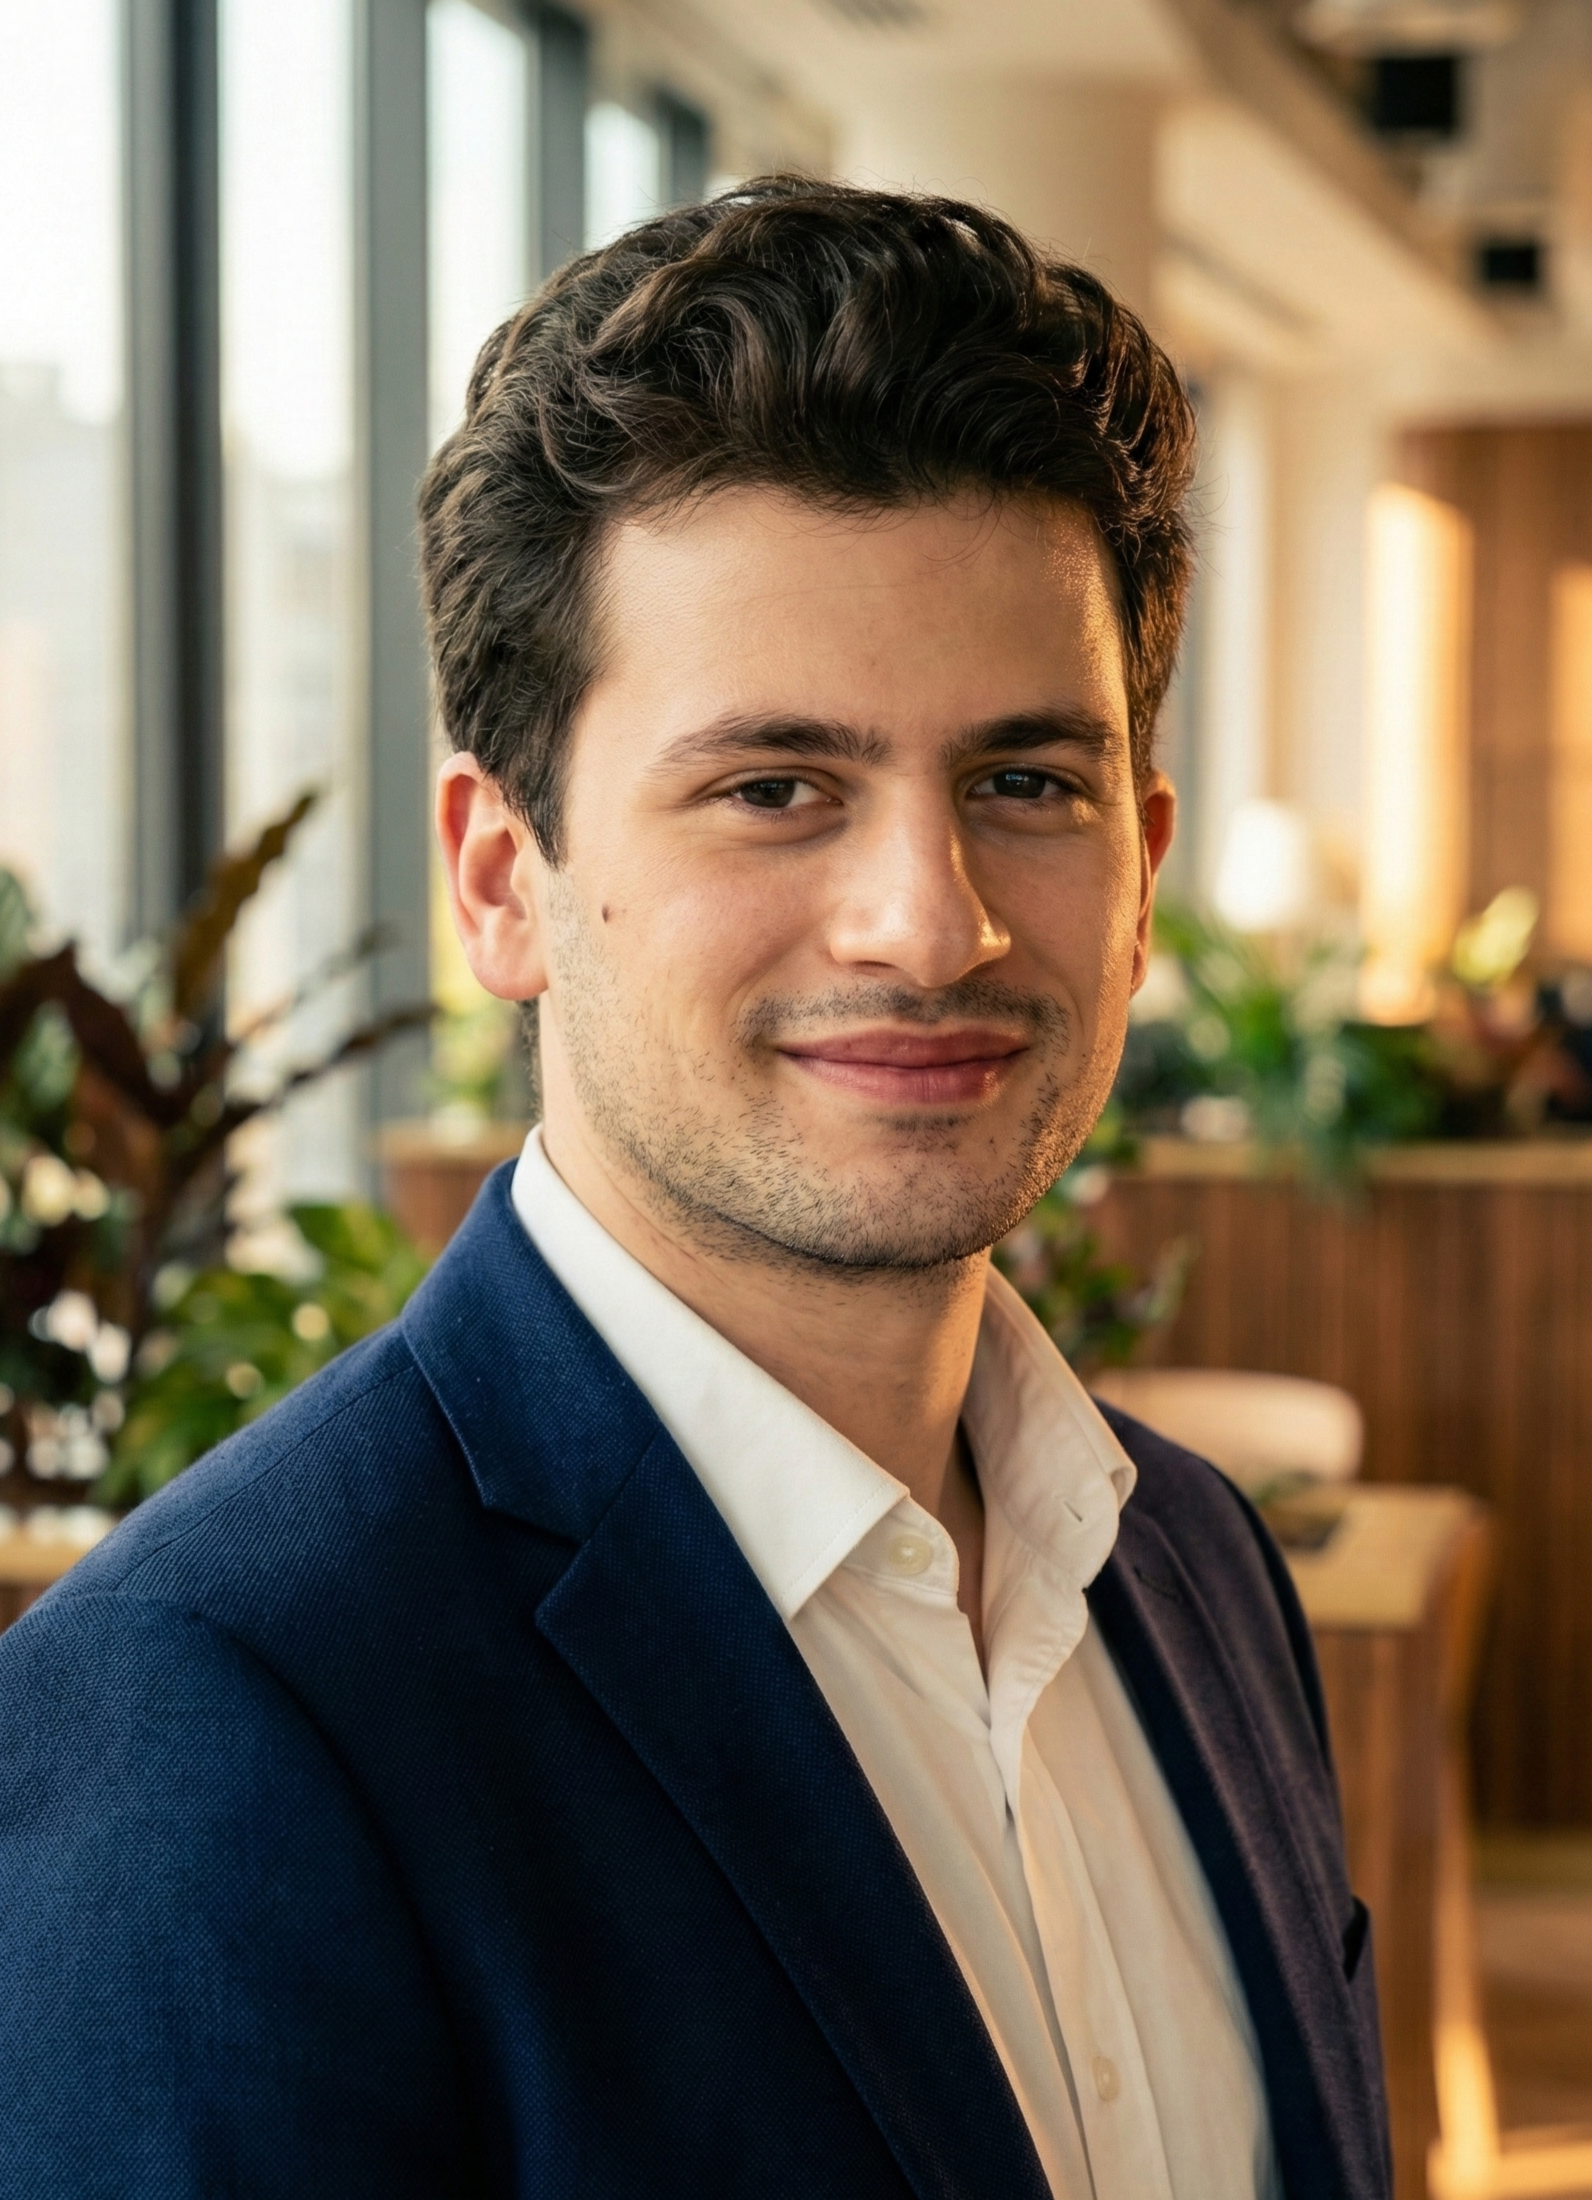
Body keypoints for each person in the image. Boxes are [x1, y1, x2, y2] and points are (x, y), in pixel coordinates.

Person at [0, 178, 1387, 2200]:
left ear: (1144, 857)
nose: (929, 923)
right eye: (774, 787)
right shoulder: (217, 1711)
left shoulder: (1194, 1570)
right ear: (502, 877)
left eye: (1025, 780)